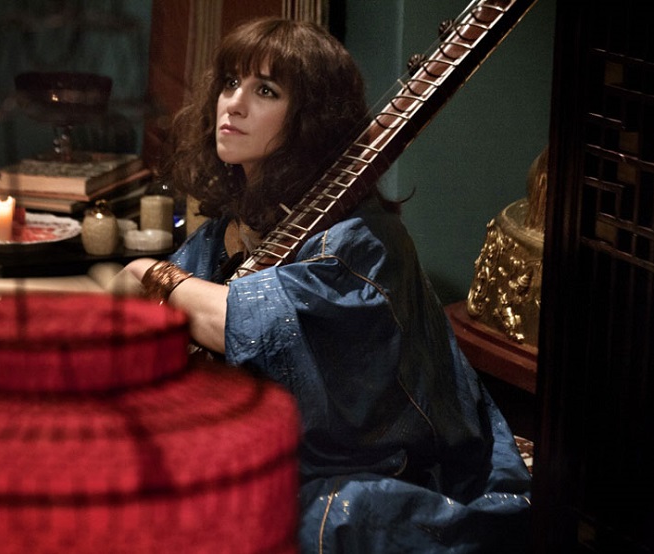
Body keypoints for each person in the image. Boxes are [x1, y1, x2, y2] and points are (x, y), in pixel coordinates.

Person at [123, 17, 532, 552]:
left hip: (380, 475)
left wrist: (151, 275)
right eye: (231, 83)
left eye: (265, 91)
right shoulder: (233, 229)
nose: (234, 104)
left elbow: (251, 325)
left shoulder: (364, 240)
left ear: (310, 119)